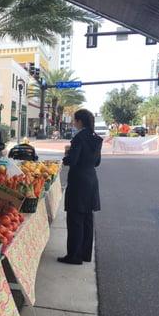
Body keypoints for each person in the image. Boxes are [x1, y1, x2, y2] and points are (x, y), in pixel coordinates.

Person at [58, 109, 103, 265]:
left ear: (80, 122)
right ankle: (84, 254)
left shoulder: (79, 138)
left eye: (74, 120)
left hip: (78, 182)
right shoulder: (96, 138)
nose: (73, 122)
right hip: (91, 180)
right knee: (87, 219)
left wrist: (67, 155)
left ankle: (73, 256)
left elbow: (73, 160)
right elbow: (97, 162)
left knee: (75, 218)